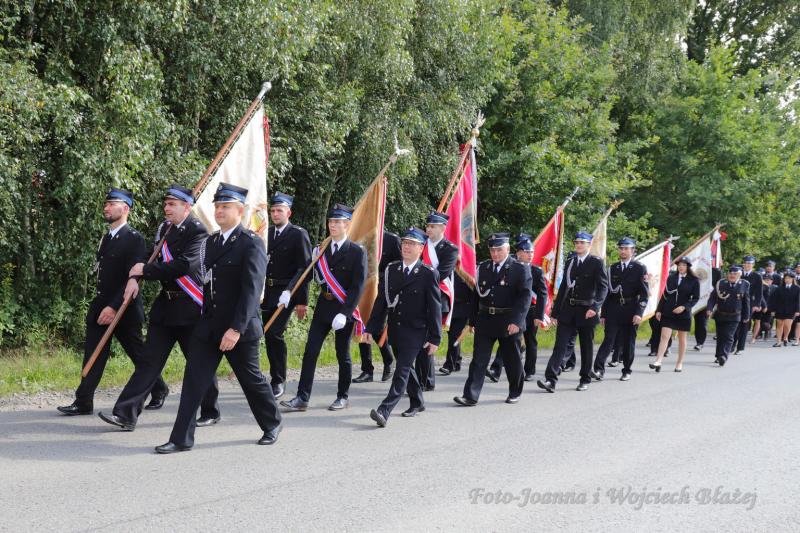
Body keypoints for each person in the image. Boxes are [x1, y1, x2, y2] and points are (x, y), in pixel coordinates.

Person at [155, 183, 282, 453]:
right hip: (209, 325)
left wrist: (236, 329)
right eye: (217, 206)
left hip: (238, 328)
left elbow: (251, 291)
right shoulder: (211, 242)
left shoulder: (251, 243)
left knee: (251, 380)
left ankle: (272, 423)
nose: (219, 211)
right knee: (194, 381)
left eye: (226, 206)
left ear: (240, 211)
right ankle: (180, 438)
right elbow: (207, 284)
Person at [98, 184, 220, 430]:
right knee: (148, 362)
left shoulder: (198, 231)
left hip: (190, 306)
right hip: (166, 306)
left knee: (198, 362)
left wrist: (145, 270)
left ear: (186, 207)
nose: (167, 208)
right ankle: (126, 414)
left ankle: (210, 410)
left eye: (172, 204)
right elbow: (151, 254)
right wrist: (135, 275)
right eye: (165, 204)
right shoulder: (165, 228)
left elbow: (183, 266)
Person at [58, 188, 152, 416]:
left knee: (138, 354)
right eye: (106, 204)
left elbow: (133, 278)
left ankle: (158, 389)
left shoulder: (134, 239)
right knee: (93, 352)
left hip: (124, 309)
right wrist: (104, 305)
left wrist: (113, 307)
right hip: (101, 305)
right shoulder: (107, 238)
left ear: (125, 208)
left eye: (112, 204)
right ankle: (84, 401)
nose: (106, 207)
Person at [281, 203, 368, 412]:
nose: (333, 225)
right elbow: (305, 273)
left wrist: (345, 313)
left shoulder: (357, 252)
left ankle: (342, 396)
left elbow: (358, 287)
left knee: (342, 354)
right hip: (323, 306)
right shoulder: (320, 250)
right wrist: (289, 290)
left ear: (347, 224)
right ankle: (302, 398)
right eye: (331, 221)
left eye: (338, 221)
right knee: (310, 351)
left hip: (343, 310)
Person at [363, 228, 441, 426]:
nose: (407, 247)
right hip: (396, 328)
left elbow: (435, 307)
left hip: (417, 330)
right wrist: (371, 328)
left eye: (412, 244)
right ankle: (417, 401)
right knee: (406, 368)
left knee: (401, 370)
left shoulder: (428, 273)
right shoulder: (392, 269)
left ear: (421, 248)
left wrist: (435, 337)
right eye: (405, 243)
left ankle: (384, 410)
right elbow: (382, 301)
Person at [453, 233, 531, 406]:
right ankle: (470, 396)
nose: (495, 254)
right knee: (478, 360)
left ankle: (515, 391)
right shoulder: (484, 267)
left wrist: (517, 322)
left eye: (499, 250)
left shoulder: (519, 269)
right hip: (485, 320)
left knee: (512, 360)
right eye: (492, 250)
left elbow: (524, 298)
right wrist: (472, 321)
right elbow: (476, 296)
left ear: (508, 249)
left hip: (508, 321)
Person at [537, 232, 608, 393]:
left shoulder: (596, 262)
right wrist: (555, 313)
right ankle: (550, 379)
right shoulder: (571, 261)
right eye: (577, 242)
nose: (579, 245)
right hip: (568, 310)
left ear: (589, 245)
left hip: (587, 311)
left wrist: (595, 307)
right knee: (560, 345)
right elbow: (564, 288)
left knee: (586, 346)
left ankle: (585, 378)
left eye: (582, 242)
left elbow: (603, 288)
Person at [261, 192, 311, 399]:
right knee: (266, 334)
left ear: (288, 213)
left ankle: (278, 379)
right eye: (273, 210)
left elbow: (305, 269)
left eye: (279, 210)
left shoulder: (298, 234)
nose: (275, 214)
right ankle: (271, 376)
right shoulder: (267, 233)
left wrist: (300, 299)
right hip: (267, 292)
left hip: (286, 293)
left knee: (274, 333)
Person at [485, 234, 547, 381]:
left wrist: (539, 315)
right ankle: (496, 370)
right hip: (514, 312)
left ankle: (529, 370)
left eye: (531, 252)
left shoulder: (536, 271)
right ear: (518, 253)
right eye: (526, 252)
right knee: (507, 340)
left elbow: (542, 294)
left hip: (530, 312)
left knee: (530, 340)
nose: (530, 255)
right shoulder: (510, 268)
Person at [591, 237, 648, 381]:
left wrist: (639, 313)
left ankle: (627, 370)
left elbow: (644, 294)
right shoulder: (612, 268)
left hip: (631, 308)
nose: (623, 251)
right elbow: (608, 293)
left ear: (633, 251)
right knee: (608, 339)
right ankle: (598, 369)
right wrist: (603, 314)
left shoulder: (639, 268)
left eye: (626, 248)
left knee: (629, 342)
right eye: (621, 248)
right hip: (614, 309)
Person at [354, 230, 401, 383]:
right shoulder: (362, 235)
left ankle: (389, 361)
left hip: (383, 289)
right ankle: (367, 369)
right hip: (363, 286)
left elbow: (399, 267)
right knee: (362, 325)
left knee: (377, 326)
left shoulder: (392, 240)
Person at [418, 211, 458, 391]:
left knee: (427, 339)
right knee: (419, 339)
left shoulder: (450, 249)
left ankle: (426, 380)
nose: (428, 229)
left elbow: (441, 274)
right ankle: (423, 379)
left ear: (443, 228)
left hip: (437, 298)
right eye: (428, 226)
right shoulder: (420, 244)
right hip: (418, 297)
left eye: (433, 226)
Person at [650, 256, 700, 372]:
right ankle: (658, 361)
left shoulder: (694, 280)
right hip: (668, 312)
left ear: (688, 267)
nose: (681, 267)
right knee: (664, 336)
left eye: (684, 265)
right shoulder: (671, 278)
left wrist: (684, 307)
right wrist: (659, 310)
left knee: (682, 339)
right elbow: (665, 295)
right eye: (679, 265)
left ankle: (679, 363)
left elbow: (695, 298)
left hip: (683, 314)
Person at [707, 265, 750, 366]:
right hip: (720, 314)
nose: (732, 275)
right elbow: (713, 297)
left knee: (728, 336)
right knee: (720, 336)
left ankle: (724, 356)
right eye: (730, 273)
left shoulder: (744, 284)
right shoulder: (721, 283)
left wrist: (746, 315)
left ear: (739, 275)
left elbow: (746, 302)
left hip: (735, 315)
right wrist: (709, 308)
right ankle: (718, 355)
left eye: (735, 274)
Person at [439, 273, 474, 375]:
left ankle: (449, 365)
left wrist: (472, 318)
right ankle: (457, 361)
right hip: (450, 309)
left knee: (454, 336)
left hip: (463, 310)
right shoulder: (447, 272)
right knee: (452, 335)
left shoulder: (465, 272)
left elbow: (473, 294)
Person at [734, 256, 762, 354]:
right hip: (736, 302)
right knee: (734, 324)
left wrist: (757, 304)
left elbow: (759, 292)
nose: (747, 265)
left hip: (749, 304)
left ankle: (740, 348)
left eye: (749, 263)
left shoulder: (757, 276)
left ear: (753, 265)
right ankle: (732, 345)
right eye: (746, 263)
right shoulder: (738, 274)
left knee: (744, 325)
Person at [694, 267, 722, 350]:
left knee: (702, 322)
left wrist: (715, 302)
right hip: (693, 299)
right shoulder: (695, 267)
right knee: (695, 322)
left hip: (707, 301)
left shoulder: (716, 272)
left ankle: (700, 342)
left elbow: (718, 287)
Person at [769, 272, 800, 347]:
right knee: (779, 325)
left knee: (787, 325)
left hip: (791, 310)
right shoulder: (779, 288)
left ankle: (785, 337)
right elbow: (774, 300)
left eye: (789, 278)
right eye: (786, 278)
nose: (787, 280)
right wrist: (773, 310)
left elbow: (798, 300)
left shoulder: (797, 288)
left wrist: (797, 310)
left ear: (792, 279)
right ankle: (778, 342)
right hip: (780, 309)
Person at [751, 274, 773, 343]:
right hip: (755, 306)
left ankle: (756, 336)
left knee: (763, 323)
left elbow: (764, 297)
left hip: (764, 307)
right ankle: (756, 335)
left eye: (768, 280)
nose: (766, 281)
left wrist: (764, 306)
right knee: (755, 322)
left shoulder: (766, 287)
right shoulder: (755, 285)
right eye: (765, 279)